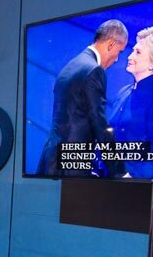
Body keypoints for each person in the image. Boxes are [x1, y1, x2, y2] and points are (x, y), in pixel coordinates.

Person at [36, 19, 128, 177]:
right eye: (119, 52)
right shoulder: (94, 70)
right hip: (72, 167)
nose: (117, 59)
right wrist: (119, 172)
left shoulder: (72, 65)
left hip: (51, 160)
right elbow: (99, 123)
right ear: (111, 44)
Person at [109, 27, 153, 179]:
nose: (130, 56)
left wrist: (133, 177)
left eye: (138, 52)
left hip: (139, 185)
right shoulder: (123, 92)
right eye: (133, 50)